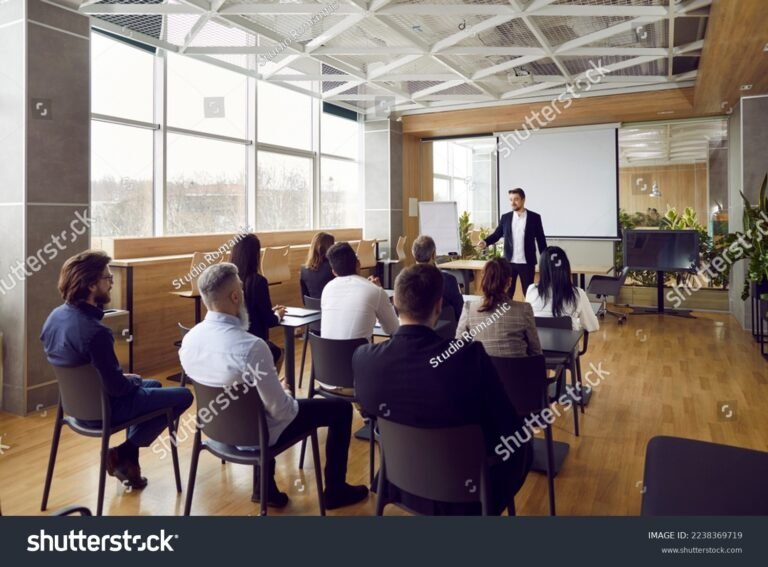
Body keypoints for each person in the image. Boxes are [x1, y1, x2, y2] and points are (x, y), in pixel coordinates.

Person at [179, 263, 368, 509]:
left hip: (215, 432)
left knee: (259, 404)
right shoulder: (251, 347)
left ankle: (265, 490)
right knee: (340, 410)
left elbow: (227, 387)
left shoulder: (190, 340)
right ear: (235, 296)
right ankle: (335, 490)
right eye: (242, 293)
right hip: (255, 435)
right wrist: (285, 393)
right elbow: (283, 412)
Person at [353, 264, 533, 515]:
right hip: (465, 495)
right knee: (524, 441)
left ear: (394, 302)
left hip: (399, 482)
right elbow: (508, 426)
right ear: (439, 306)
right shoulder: (469, 358)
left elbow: (370, 414)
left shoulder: (364, 360)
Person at [40, 250, 193, 489]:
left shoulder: (54, 318)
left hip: (73, 410)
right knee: (183, 396)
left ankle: (127, 460)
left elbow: (92, 375)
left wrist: (129, 380)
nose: (111, 283)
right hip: (104, 411)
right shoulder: (96, 332)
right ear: (91, 285)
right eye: (108, 278)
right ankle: (125, 451)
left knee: (153, 385)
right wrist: (133, 380)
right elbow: (118, 388)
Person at [457, 257, 542, 358]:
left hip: (483, 373)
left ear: (484, 279)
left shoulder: (469, 308)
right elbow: (536, 352)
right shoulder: (524, 309)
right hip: (517, 373)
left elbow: (458, 349)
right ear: (509, 282)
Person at [321, 242, 399, 340]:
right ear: (358, 264)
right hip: (358, 354)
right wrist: (380, 291)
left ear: (334, 272)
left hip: (325, 354)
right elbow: (393, 328)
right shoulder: (374, 291)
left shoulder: (327, 289)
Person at [479, 188, 547, 297]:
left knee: (529, 293)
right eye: (510, 200)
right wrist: (486, 242)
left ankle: (529, 314)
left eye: (516, 199)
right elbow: (497, 234)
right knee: (507, 293)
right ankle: (507, 313)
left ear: (523, 200)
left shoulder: (535, 218)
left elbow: (541, 239)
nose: (513, 202)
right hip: (509, 263)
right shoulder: (506, 217)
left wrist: (545, 259)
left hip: (527, 263)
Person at [231, 234, 285, 367]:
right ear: (255, 255)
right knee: (279, 352)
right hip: (255, 344)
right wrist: (278, 314)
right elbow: (269, 321)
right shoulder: (258, 281)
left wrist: (269, 311)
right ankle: (267, 386)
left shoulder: (228, 280)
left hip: (232, 345)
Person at [525, 246, 600, 332]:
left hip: (538, 345)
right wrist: (576, 322)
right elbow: (593, 326)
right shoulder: (577, 294)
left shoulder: (531, 290)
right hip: (567, 345)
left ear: (542, 269)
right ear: (566, 268)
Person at [411, 235, 463, 320]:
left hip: (416, 331)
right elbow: (460, 311)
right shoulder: (448, 280)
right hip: (446, 331)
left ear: (414, 254)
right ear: (434, 255)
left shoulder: (406, 281)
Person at [300, 232, 336, 299]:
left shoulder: (304, 269)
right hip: (332, 307)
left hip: (312, 308)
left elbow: (304, 299)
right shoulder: (334, 268)